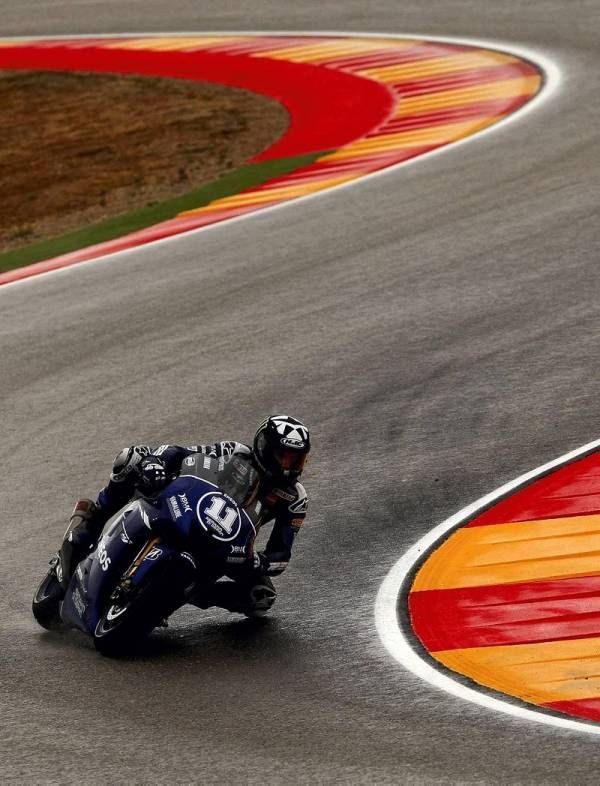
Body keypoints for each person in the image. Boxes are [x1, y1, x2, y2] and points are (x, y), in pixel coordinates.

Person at [56, 414, 310, 617]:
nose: (291, 466)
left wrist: (260, 562)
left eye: (297, 459)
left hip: (230, 545)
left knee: (261, 597)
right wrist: (157, 463)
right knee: (131, 459)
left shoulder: (294, 498)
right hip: (186, 508)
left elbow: (281, 554)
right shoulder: (234, 451)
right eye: (284, 456)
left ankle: (183, 595)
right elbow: (180, 453)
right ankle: (92, 520)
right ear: (265, 448)